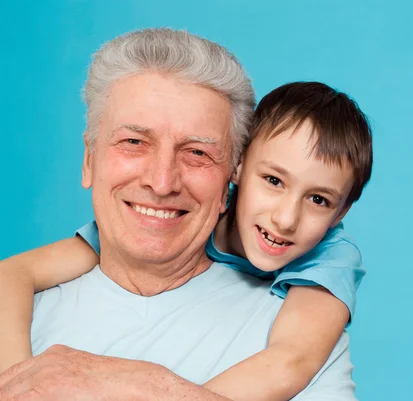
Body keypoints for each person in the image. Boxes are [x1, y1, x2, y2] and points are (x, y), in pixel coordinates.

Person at [0, 28, 372, 401]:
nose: (162, 183)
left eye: (197, 152)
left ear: (228, 175)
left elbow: (293, 361)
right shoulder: (34, 300)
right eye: (134, 142)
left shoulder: (310, 302)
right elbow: (13, 272)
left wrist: (131, 383)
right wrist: (18, 382)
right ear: (88, 159)